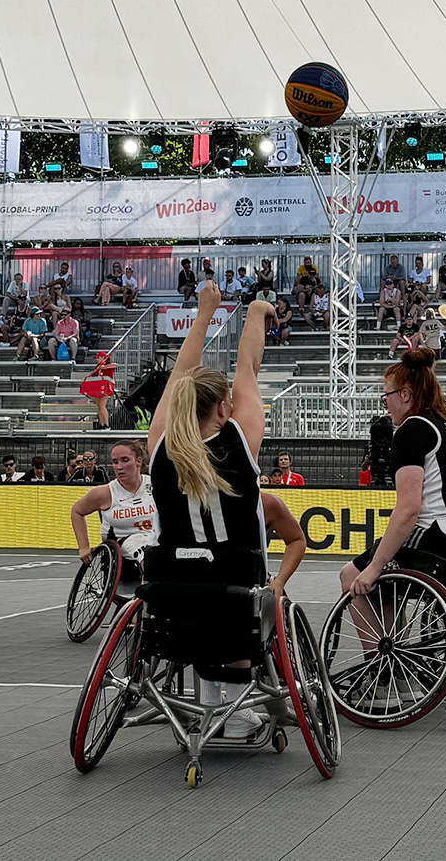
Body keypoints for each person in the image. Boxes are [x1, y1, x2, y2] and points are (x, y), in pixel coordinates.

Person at [145, 281, 274, 737]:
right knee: (238, 588)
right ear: (224, 409)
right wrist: (255, 313)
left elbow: (182, 375)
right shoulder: (239, 442)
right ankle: (236, 712)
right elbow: (248, 368)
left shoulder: (159, 447)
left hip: (174, 601)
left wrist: (205, 313)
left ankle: (208, 703)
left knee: (195, 584)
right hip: (237, 599)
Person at [341, 346, 446, 613]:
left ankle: (381, 655)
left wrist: (374, 568)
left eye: (386, 397)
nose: (386, 406)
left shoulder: (412, 429)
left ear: (404, 394)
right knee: (385, 558)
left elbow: (408, 510)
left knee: (352, 576)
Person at [70, 440, 158, 596]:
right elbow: (77, 511)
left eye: (125, 461)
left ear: (138, 461)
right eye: (115, 462)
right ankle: (144, 607)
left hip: (154, 537)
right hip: (122, 542)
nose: (119, 467)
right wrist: (83, 546)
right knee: (149, 558)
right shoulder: (105, 492)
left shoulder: (155, 485)